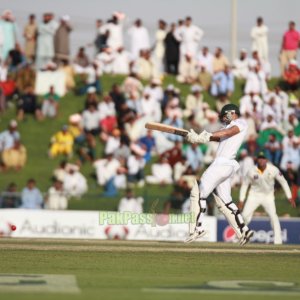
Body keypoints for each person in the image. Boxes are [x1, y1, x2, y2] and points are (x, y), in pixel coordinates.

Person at [185, 104, 254, 245]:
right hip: (226, 166)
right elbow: (219, 136)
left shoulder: (240, 122)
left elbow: (229, 132)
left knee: (198, 193)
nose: (223, 119)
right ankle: (243, 231)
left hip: (222, 164)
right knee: (225, 202)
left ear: (231, 113)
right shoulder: (226, 129)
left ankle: (195, 229)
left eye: (224, 115)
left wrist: (206, 135)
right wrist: (198, 137)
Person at [238, 152, 294, 244]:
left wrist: (289, 196)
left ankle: (278, 242)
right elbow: (244, 185)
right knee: (244, 216)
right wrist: (241, 199)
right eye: (259, 158)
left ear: (266, 160)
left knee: (273, 217)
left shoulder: (273, 169)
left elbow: (283, 182)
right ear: (257, 159)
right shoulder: (251, 171)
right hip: (254, 196)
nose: (261, 160)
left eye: (263, 158)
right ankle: (241, 237)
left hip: (268, 197)